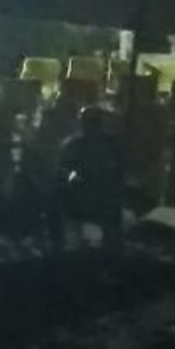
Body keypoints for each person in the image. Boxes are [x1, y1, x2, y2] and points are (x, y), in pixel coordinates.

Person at [55, 105, 126, 246]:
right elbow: (63, 169)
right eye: (88, 121)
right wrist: (73, 177)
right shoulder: (73, 144)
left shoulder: (112, 145)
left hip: (104, 207)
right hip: (79, 204)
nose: (91, 125)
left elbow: (118, 173)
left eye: (95, 121)